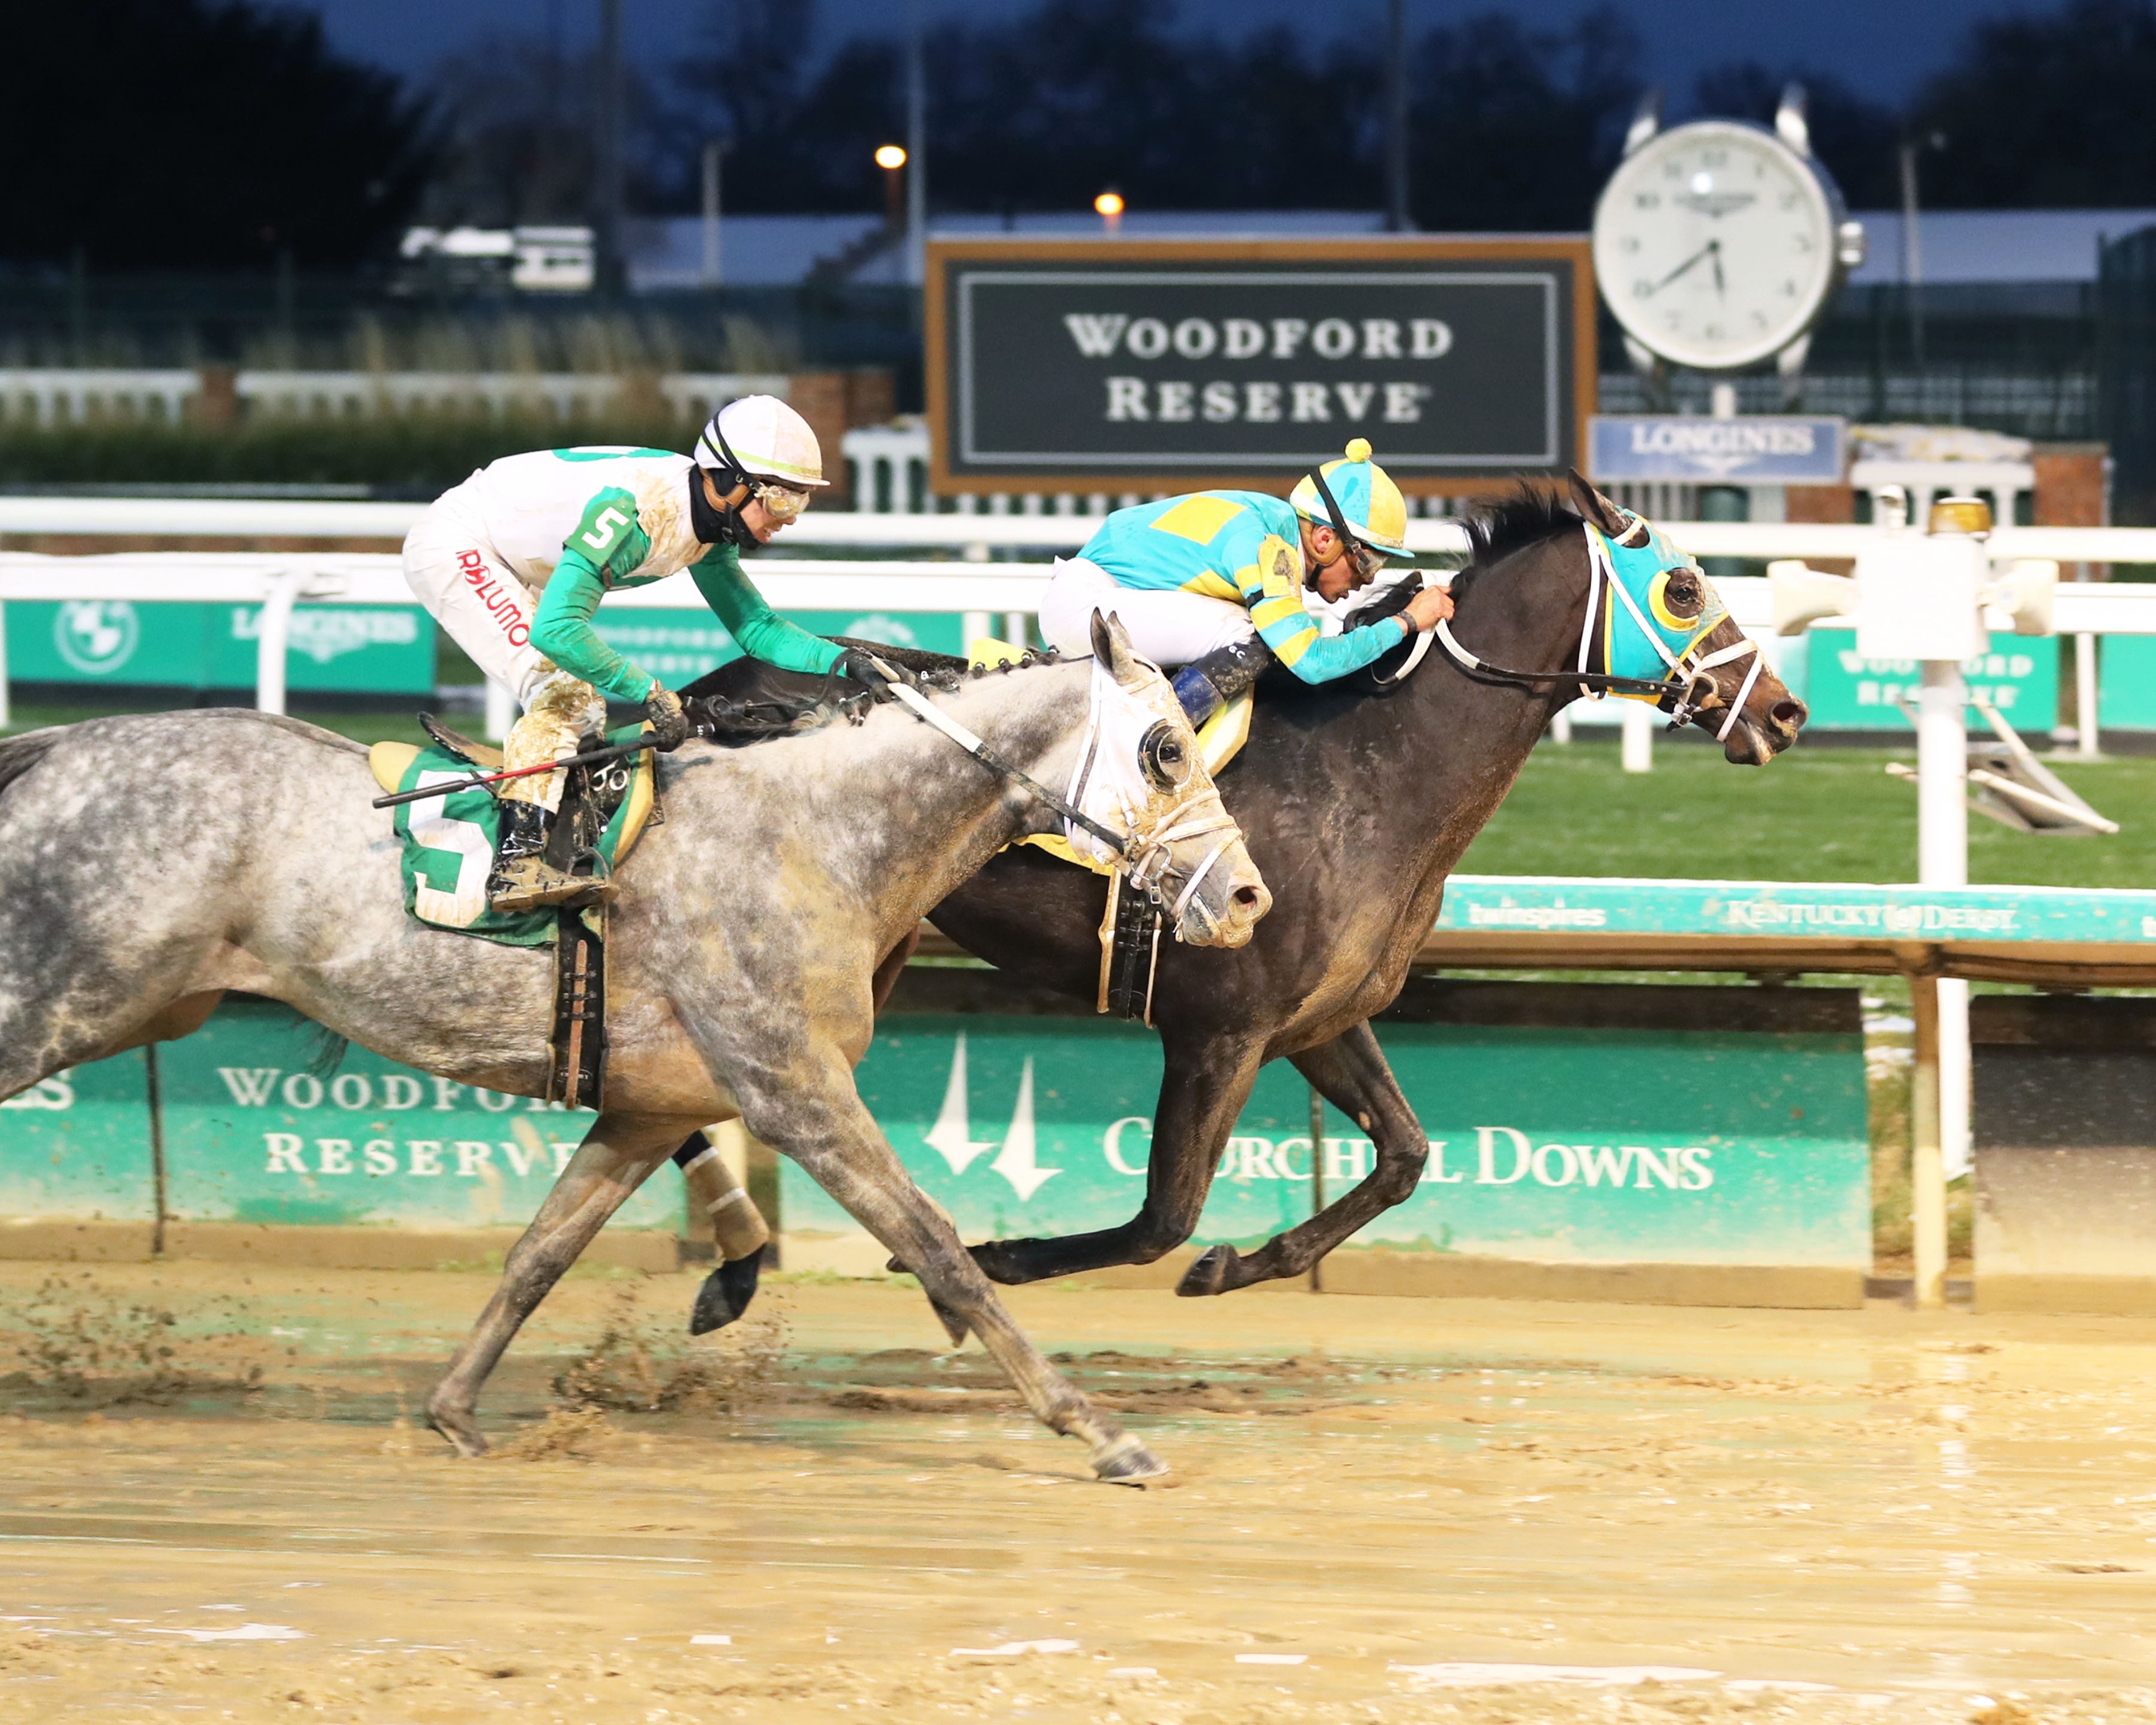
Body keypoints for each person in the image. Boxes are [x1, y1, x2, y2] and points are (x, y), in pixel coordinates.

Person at [401, 395, 854, 912]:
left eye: (800, 503)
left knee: (583, 710)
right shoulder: (637, 512)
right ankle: (515, 862)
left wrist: (840, 662)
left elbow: (757, 627)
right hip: (460, 543)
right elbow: (555, 630)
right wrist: (649, 691)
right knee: (568, 693)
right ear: (729, 482)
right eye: (781, 501)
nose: (790, 519)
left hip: (512, 556)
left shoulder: (706, 522)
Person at [1036, 438, 1455, 725]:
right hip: (1089, 608)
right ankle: (1154, 750)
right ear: (1325, 539)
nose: (1369, 579)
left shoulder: (1270, 523)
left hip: (1100, 600)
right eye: (1367, 560)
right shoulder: (1269, 549)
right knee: (1249, 637)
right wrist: (1405, 622)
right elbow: (1312, 663)